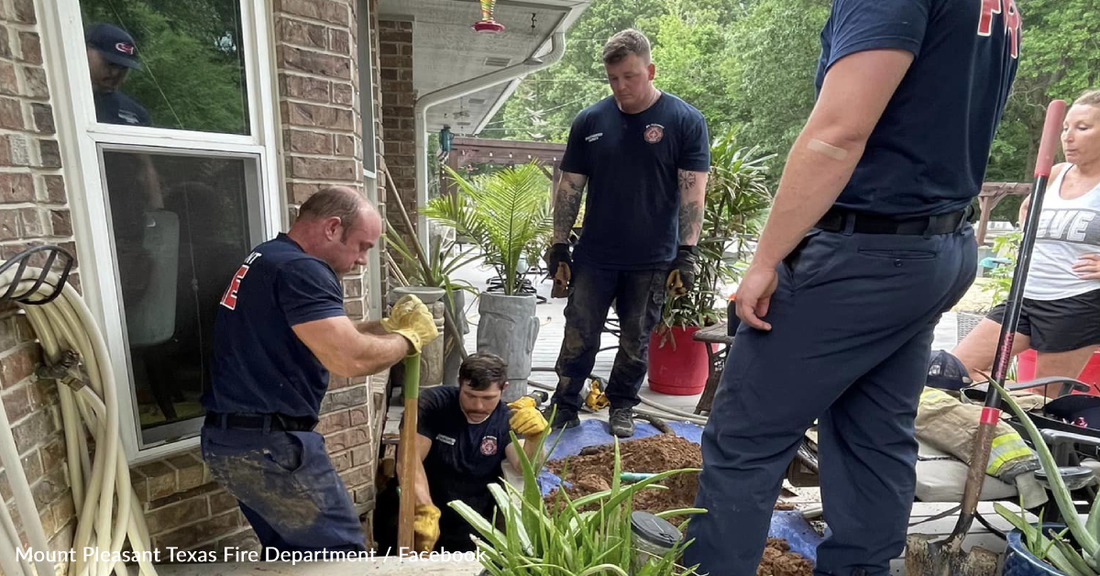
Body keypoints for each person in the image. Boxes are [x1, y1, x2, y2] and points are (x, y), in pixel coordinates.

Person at [684, 0, 1021, 573]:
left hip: (864, 255)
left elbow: (840, 131)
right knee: (873, 436)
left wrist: (766, 258)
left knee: (746, 441)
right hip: (935, 247)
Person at [200, 187, 439, 553]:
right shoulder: (303, 269)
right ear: (332, 228)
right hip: (271, 448)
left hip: (235, 441)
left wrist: (387, 327)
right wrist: (409, 340)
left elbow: (325, 336)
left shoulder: (268, 256)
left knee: (296, 557)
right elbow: (348, 358)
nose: (362, 260)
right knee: (339, 557)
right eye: (362, 246)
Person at [544, 29, 710, 438]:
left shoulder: (684, 121)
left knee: (636, 341)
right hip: (596, 255)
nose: (621, 87)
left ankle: (622, 406)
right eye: (613, 78)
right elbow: (570, 187)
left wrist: (685, 253)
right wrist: (559, 244)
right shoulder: (590, 121)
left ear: (650, 70)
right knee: (579, 333)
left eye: (630, 76)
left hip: (652, 258)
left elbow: (693, 190)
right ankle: (564, 404)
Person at [953, 90, 1100, 391]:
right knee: (955, 370)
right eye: (1065, 128)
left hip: (1076, 303)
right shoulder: (1057, 174)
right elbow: (1026, 211)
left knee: (1041, 403)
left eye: (1083, 128)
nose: (1068, 137)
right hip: (1025, 297)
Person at [384, 352, 547, 554]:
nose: (478, 406)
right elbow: (409, 461)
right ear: (460, 383)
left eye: (488, 398)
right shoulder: (433, 404)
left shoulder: (509, 418)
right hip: (421, 515)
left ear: (503, 389)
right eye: (470, 395)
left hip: (474, 526)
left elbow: (525, 469)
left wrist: (536, 439)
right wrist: (424, 509)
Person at [86, 22, 151, 127]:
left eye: (123, 67)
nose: (116, 73)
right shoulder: (62, 98)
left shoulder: (136, 114)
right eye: (110, 64)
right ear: (86, 52)